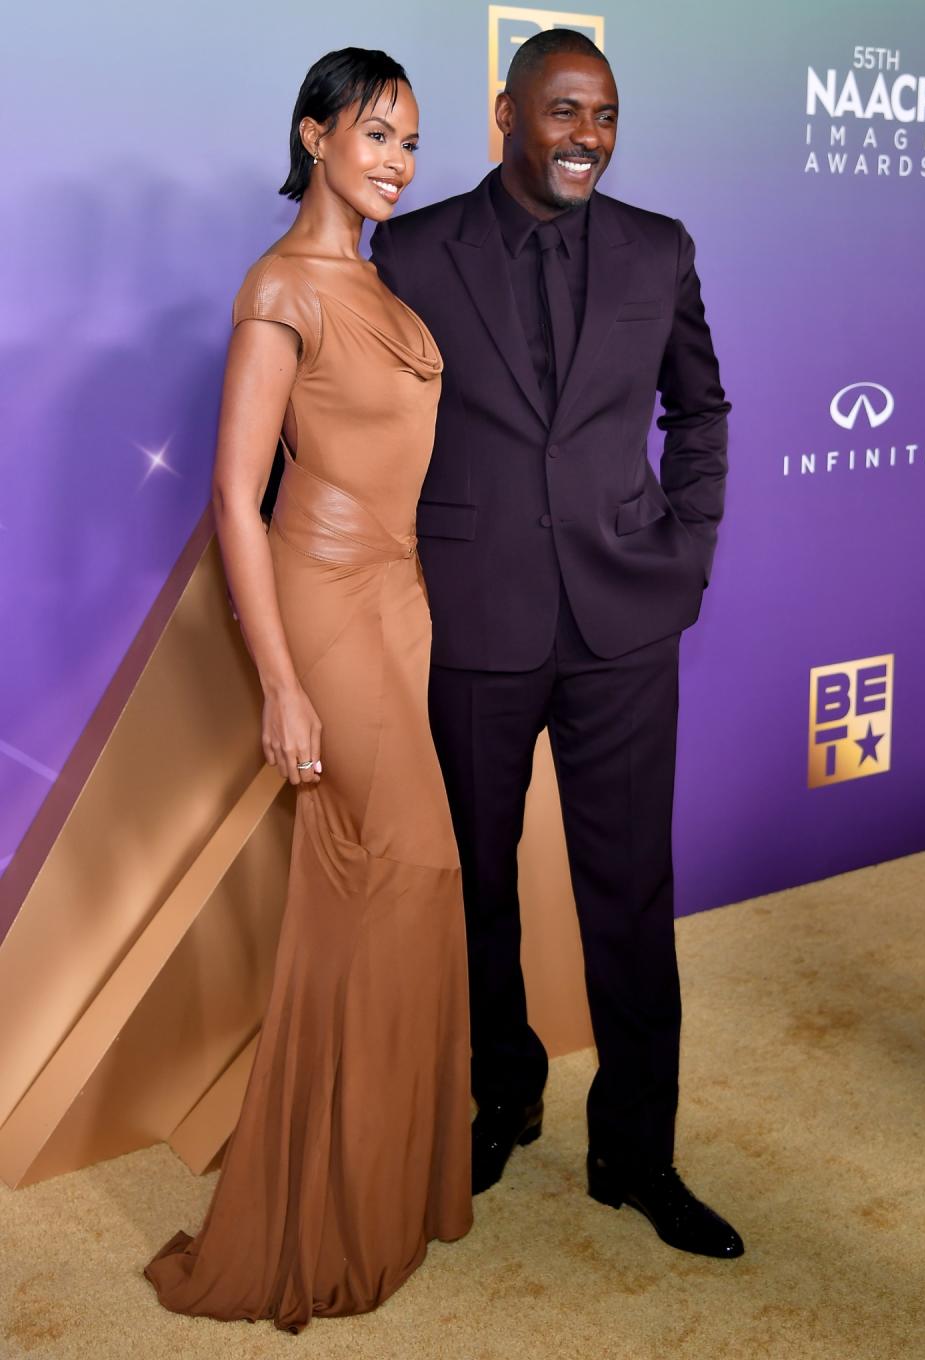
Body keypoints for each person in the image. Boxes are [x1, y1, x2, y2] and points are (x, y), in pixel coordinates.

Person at [371, 29, 743, 1259]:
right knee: (476, 885)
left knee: (632, 895)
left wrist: (684, 550)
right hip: (474, 616)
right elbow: (372, 429)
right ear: (508, 111)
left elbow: (702, 405)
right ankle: (503, 1090)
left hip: (625, 618)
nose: (589, 135)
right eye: (565, 110)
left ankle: (636, 1150)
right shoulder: (414, 250)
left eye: (607, 115)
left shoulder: (659, 247)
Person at [143, 49, 472, 1332]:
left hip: (404, 600)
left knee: (391, 892)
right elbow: (235, 492)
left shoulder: (382, 286)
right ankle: (322, 1205)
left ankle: (383, 1182)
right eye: (376, 133)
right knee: (396, 871)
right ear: (315, 135)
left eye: (410, 141)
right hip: (325, 599)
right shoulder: (281, 288)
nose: (396, 159)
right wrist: (279, 680)